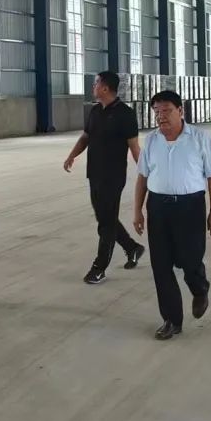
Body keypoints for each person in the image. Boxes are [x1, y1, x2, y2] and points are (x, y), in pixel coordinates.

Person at [133, 90, 211, 341]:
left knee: (190, 260)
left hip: (190, 207)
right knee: (160, 265)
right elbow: (142, 177)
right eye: (157, 112)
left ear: (180, 111)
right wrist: (137, 211)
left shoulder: (199, 138)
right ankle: (172, 320)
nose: (161, 116)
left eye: (166, 111)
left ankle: (200, 289)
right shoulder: (152, 140)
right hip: (158, 208)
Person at [63, 71, 145, 284]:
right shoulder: (95, 111)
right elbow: (86, 137)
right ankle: (132, 248)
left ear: (106, 88)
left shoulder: (125, 114)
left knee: (106, 224)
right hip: (94, 174)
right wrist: (72, 155)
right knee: (105, 218)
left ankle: (99, 268)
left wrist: (146, 173)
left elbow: (134, 146)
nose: (94, 86)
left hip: (113, 176)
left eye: (96, 83)